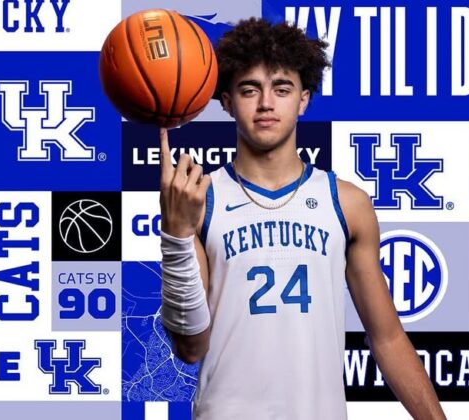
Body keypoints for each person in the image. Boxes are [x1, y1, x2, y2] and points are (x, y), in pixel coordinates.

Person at [157, 17, 446, 420]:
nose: (266, 103)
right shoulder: (200, 201)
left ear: (303, 100)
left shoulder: (346, 203)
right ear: (227, 101)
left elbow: (388, 339)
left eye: (282, 89)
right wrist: (176, 234)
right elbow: (191, 347)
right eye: (249, 89)